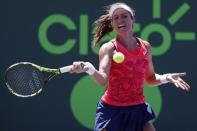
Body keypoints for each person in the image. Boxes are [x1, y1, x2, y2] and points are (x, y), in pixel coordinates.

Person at [70, 2, 190, 131]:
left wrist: (167, 77)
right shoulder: (108, 48)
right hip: (111, 110)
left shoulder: (146, 46)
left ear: (133, 20)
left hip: (138, 108)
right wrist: (89, 68)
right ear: (112, 24)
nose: (120, 20)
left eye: (124, 16)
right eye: (115, 18)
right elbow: (102, 80)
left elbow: (150, 79)